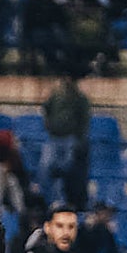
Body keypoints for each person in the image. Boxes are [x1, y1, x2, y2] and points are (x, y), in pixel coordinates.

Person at [38, 75, 90, 210]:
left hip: (70, 139)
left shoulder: (80, 99)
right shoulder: (55, 96)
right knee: (45, 169)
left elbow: (84, 119)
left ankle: (66, 204)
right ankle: (49, 202)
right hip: (53, 138)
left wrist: (78, 136)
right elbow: (45, 109)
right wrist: (49, 126)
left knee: (68, 170)